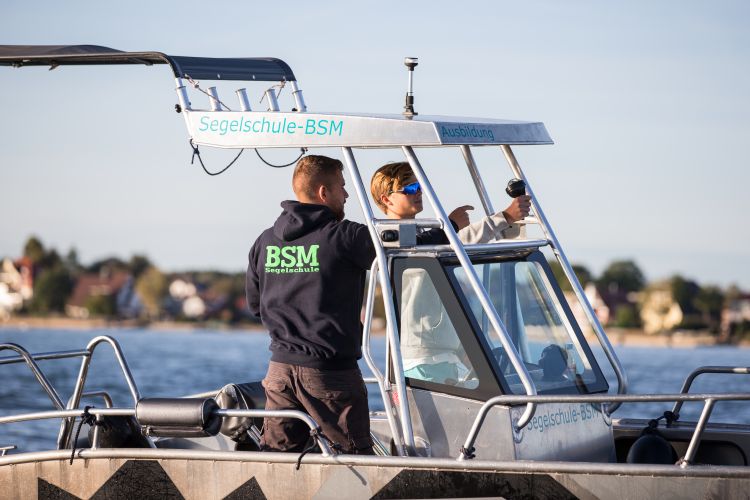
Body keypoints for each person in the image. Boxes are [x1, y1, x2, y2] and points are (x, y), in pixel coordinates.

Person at [245, 155, 375, 455]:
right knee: (355, 463)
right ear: (323, 193)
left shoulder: (265, 241)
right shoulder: (344, 236)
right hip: (331, 374)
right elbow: (404, 246)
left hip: (279, 373)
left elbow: (255, 305)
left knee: (277, 463)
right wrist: (451, 225)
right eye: (342, 186)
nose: (346, 194)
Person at [370, 162, 532, 384]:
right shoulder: (391, 239)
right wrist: (501, 218)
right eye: (408, 189)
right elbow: (450, 242)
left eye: (418, 187)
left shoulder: (423, 237)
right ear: (386, 199)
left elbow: (449, 243)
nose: (417, 192)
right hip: (423, 359)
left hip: (437, 355)